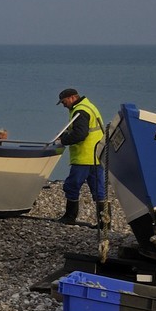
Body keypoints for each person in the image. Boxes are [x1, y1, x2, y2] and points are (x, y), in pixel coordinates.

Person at [52, 89, 105, 225]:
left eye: (64, 102)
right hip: (97, 156)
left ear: (72, 98)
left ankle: (70, 217)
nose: (64, 105)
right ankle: (104, 223)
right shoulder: (89, 106)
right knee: (98, 190)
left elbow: (80, 134)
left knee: (71, 186)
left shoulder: (80, 111)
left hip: (84, 157)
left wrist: (63, 140)